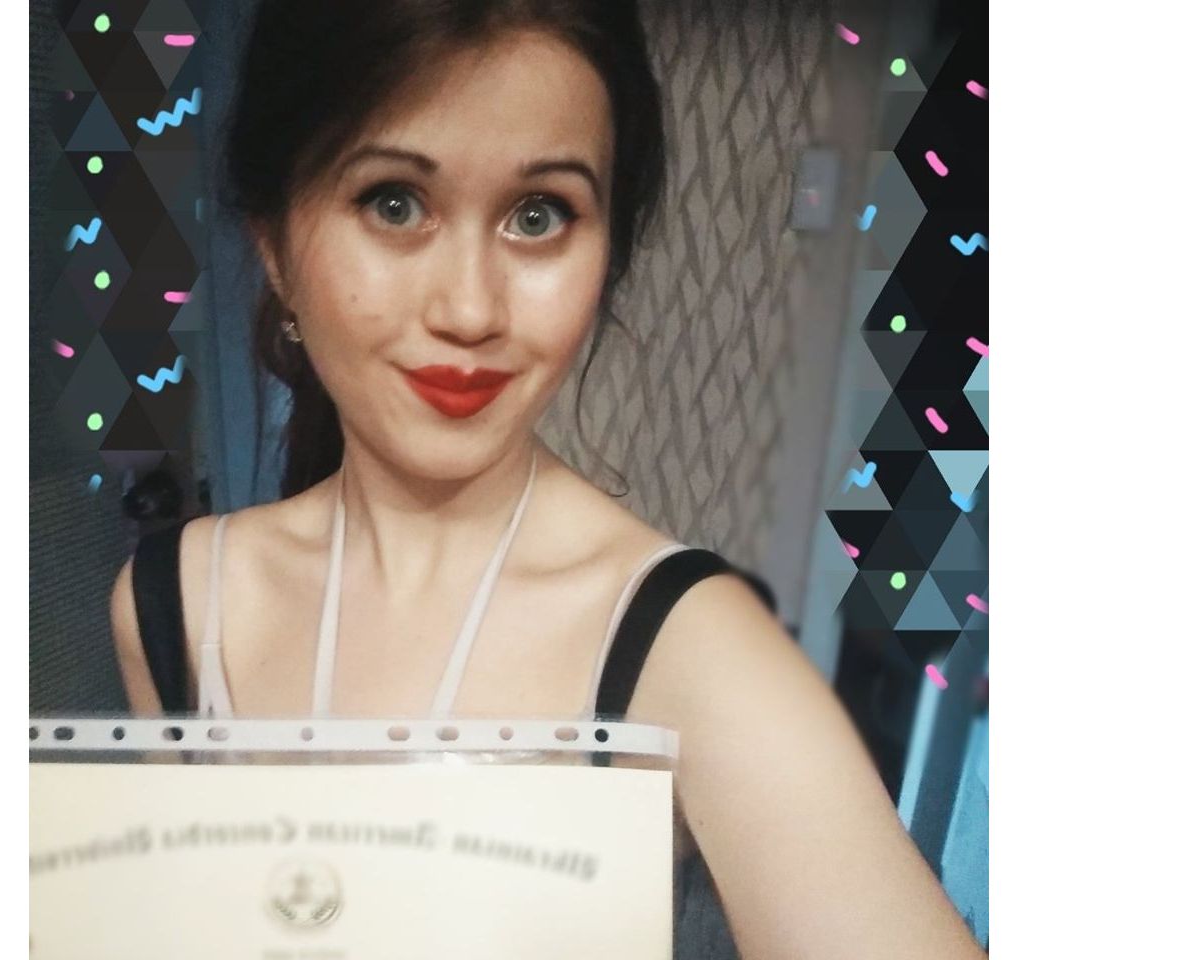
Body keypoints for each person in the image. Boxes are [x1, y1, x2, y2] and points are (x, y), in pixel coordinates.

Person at [109, 2, 983, 957]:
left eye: (539, 216)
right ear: (274, 244)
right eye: (394, 202)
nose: (470, 309)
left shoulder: (690, 649)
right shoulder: (173, 603)